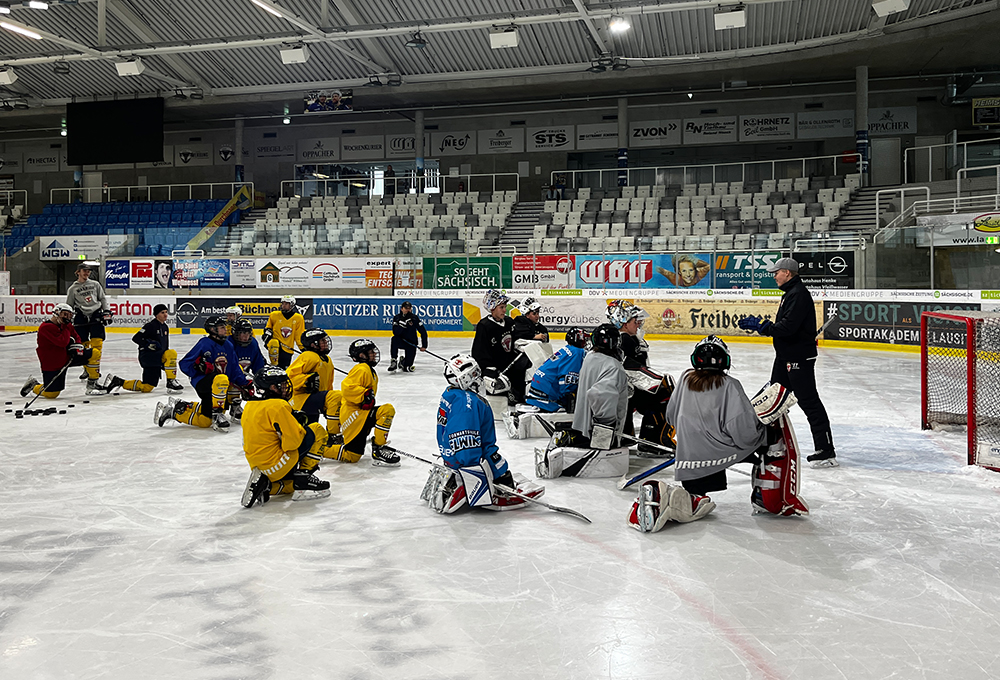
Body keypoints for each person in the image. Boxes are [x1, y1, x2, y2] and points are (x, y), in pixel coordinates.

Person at [629, 336, 807, 532]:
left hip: (687, 456)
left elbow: (670, 417)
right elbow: (743, 432)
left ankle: (683, 498)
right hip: (716, 455)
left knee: (696, 492)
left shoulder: (685, 378)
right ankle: (765, 496)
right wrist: (764, 432)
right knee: (770, 440)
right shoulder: (730, 384)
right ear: (725, 360)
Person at [738, 257, 837, 467]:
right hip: (786, 356)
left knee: (809, 401)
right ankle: (767, 444)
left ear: (788, 273)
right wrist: (764, 327)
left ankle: (826, 450)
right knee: (773, 399)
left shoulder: (798, 295)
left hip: (798, 357)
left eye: (777, 272)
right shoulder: (790, 294)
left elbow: (788, 328)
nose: (774, 276)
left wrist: (763, 327)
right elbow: (785, 327)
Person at [421, 354, 545, 514]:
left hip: (452, 457)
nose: (478, 376)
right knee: (500, 468)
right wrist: (475, 470)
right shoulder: (467, 403)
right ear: (463, 378)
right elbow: (464, 439)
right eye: (473, 373)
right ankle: (497, 482)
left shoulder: (452, 394)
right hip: (467, 461)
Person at [534, 324, 630, 480]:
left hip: (581, 422)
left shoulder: (590, 357)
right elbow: (600, 395)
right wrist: (606, 427)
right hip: (595, 429)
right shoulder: (614, 367)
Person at [240, 366, 332, 508]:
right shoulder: (278, 405)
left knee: (290, 486)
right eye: (281, 386)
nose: (285, 389)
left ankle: (265, 486)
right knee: (317, 430)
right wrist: (297, 425)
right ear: (270, 387)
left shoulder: (249, 406)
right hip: (276, 464)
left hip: (258, 466)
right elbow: (292, 443)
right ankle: (304, 476)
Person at [154, 316, 252, 433]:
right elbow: (184, 364)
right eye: (222, 327)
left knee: (204, 421)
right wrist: (198, 368)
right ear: (212, 329)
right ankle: (217, 414)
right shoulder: (204, 343)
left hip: (219, 387)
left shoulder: (228, 345)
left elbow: (235, 369)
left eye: (225, 327)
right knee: (222, 378)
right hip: (203, 383)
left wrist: (246, 384)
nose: (226, 329)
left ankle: (176, 410)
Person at [606, 299, 676, 454]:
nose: (638, 323)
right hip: (625, 393)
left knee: (663, 390)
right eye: (634, 319)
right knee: (668, 393)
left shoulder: (619, 338)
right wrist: (659, 381)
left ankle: (645, 439)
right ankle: (654, 442)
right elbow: (629, 368)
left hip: (621, 391)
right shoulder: (625, 339)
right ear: (623, 322)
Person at [324, 339, 399, 466]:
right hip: (353, 415)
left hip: (359, 413)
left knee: (353, 456)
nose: (374, 354)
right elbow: (347, 388)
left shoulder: (368, 369)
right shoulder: (362, 368)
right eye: (370, 352)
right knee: (351, 455)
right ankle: (316, 449)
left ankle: (379, 447)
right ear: (361, 355)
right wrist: (363, 394)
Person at [20, 303, 107, 400]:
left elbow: (76, 336)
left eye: (70, 315)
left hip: (67, 356)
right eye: (65, 314)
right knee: (52, 394)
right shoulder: (46, 327)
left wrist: (77, 347)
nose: (68, 317)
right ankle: (34, 385)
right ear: (56, 313)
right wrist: (66, 328)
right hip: (53, 362)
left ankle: (92, 384)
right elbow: (63, 342)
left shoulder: (66, 325)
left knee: (94, 353)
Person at [103, 304, 184, 394]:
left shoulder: (165, 327)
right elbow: (136, 338)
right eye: (162, 313)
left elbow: (165, 347)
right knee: (147, 387)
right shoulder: (150, 326)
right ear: (156, 314)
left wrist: (166, 364)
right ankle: (120, 382)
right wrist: (148, 344)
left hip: (159, 357)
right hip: (150, 358)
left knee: (171, 353)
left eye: (166, 312)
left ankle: (171, 381)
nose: (165, 315)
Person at [286, 328, 342, 444]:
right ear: (313, 344)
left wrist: (329, 406)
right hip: (300, 401)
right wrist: (305, 380)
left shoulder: (327, 360)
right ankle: (333, 436)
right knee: (337, 396)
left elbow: (328, 386)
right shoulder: (308, 356)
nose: (326, 343)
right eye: (322, 341)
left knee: (310, 433)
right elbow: (288, 378)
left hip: (313, 400)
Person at [66, 260, 112, 395]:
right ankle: (87, 368)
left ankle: (95, 368)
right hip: (81, 316)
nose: (87, 273)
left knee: (97, 344)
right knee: (83, 345)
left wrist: (107, 311)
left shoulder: (95, 284)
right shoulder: (72, 289)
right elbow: (69, 305)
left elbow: (102, 299)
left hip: (96, 315)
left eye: (88, 271)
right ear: (78, 272)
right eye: (84, 271)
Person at [525, 327, 590, 413]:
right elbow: (567, 380)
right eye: (585, 339)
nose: (586, 343)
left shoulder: (568, 349)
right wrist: (569, 400)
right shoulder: (577, 353)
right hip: (545, 399)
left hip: (536, 391)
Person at [471, 290, 515, 395]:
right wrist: (488, 368)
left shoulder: (509, 322)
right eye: (501, 307)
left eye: (505, 307)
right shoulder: (484, 325)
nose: (504, 310)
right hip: (493, 370)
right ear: (492, 308)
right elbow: (478, 352)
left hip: (509, 366)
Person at [226, 318, 267, 422]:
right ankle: (218, 409)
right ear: (235, 333)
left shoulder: (253, 344)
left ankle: (236, 405)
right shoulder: (228, 343)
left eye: (248, 333)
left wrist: (261, 381)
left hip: (241, 376)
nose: (245, 336)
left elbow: (258, 364)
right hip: (226, 376)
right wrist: (245, 383)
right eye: (242, 333)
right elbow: (230, 367)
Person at [262, 295, 305, 368]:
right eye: (283, 303)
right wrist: (267, 336)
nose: (283, 305)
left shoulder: (298, 318)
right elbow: (268, 329)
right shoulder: (274, 315)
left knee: (283, 370)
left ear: (291, 305)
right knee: (275, 367)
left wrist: (303, 348)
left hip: (287, 348)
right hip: (275, 346)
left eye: (286, 304)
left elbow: (299, 336)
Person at [388, 301, 428, 373]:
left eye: (409, 308)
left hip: (411, 343)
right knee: (394, 339)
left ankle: (402, 362)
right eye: (406, 308)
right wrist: (402, 324)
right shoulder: (397, 318)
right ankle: (394, 360)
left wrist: (424, 345)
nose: (408, 310)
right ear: (402, 309)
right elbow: (395, 332)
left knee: (407, 367)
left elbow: (423, 331)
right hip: (401, 341)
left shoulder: (414, 318)